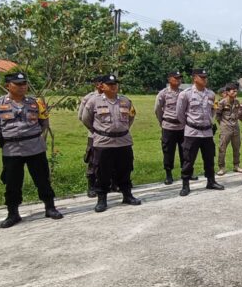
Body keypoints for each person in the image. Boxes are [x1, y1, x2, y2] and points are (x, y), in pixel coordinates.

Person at [0, 72, 63, 228]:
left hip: (35, 147)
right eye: (18, 84)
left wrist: (31, 136)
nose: (22, 87)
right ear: (8, 86)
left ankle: (50, 207)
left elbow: (44, 123)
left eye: (24, 84)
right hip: (12, 150)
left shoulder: (35, 103)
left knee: (42, 179)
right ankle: (13, 213)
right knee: (12, 183)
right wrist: (8, 138)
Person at [81, 74, 142, 212]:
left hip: (123, 141)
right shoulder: (93, 101)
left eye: (115, 84)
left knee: (125, 169)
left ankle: (127, 195)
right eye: (110, 84)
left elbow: (131, 118)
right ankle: (102, 199)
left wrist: (121, 130)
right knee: (102, 172)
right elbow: (86, 119)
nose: (113, 86)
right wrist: (100, 132)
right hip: (103, 143)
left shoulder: (126, 101)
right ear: (102, 86)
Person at [174, 69, 225, 196]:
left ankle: (211, 181)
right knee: (188, 159)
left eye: (205, 77)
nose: (204, 79)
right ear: (195, 78)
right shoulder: (185, 94)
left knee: (209, 158)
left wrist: (208, 121)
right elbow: (180, 113)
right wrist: (190, 124)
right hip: (192, 132)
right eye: (202, 77)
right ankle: (185, 184)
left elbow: (213, 111)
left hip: (207, 132)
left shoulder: (211, 94)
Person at [155, 71, 186, 185]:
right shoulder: (163, 93)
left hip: (182, 126)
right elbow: (158, 109)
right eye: (176, 78)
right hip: (169, 126)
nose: (178, 80)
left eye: (180, 78)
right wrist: (162, 122)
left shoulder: (184, 93)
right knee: (168, 151)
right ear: (169, 79)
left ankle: (186, 173)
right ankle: (169, 175)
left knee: (185, 151)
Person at [78, 75, 103, 197]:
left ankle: (112, 184)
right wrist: (94, 129)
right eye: (101, 83)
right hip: (94, 136)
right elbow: (82, 117)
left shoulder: (117, 98)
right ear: (96, 84)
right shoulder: (89, 98)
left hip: (112, 138)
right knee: (93, 161)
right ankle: (91, 186)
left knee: (112, 160)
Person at [215, 83, 242, 176]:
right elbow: (217, 116)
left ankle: (236, 165)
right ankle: (221, 167)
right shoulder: (222, 102)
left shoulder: (237, 102)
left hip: (236, 127)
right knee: (222, 148)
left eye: (236, 91)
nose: (235, 92)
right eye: (233, 91)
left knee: (237, 147)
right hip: (225, 128)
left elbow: (238, 114)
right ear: (227, 92)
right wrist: (223, 125)